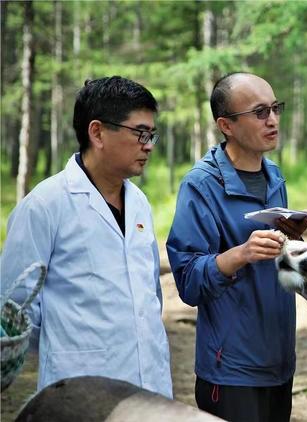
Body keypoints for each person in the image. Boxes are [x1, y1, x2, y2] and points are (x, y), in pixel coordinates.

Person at [1, 76, 172, 397]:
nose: (148, 144)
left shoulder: (139, 203)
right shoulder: (45, 205)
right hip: (79, 387)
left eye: (152, 134)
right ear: (97, 132)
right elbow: (14, 307)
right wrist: (70, 345)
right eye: (140, 133)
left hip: (150, 382)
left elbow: (149, 292)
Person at [167, 72, 307, 422]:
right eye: (260, 112)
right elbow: (187, 281)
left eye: (276, 108)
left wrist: (292, 240)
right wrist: (240, 254)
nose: (273, 119)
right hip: (231, 371)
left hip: (279, 363)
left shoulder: (274, 176)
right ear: (226, 125)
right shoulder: (200, 185)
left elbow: (276, 266)